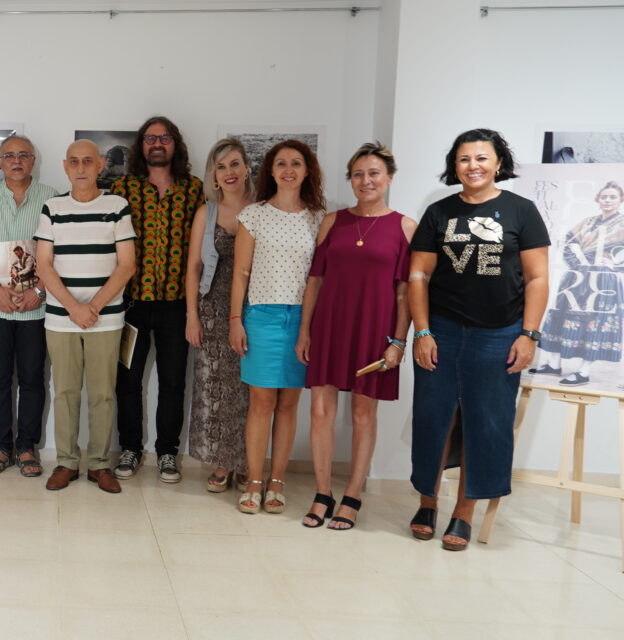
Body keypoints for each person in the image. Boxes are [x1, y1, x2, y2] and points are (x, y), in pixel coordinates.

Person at [408, 128, 550, 551]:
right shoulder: (438, 212)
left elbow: (538, 277)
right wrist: (423, 331)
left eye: (482, 158)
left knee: (485, 423)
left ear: (498, 164)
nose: (473, 166)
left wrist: (528, 334)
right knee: (434, 418)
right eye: (465, 158)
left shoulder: (521, 211)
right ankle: (427, 503)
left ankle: (463, 512)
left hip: (500, 333)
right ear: (455, 165)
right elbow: (418, 275)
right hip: (443, 331)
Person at [296, 142, 416, 529]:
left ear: (389, 178)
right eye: (359, 174)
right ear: (350, 179)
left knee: (364, 413)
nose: (366, 180)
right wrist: (305, 331)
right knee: (319, 411)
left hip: (374, 330)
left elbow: (405, 293)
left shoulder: (404, 226)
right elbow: (315, 280)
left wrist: (398, 342)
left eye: (374, 173)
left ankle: (353, 494)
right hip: (330, 326)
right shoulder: (333, 221)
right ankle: (321, 493)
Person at [229, 139, 325, 514]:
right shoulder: (253, 215)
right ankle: (254, 481)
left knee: (289, 404)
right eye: (281, 163)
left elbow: (320, 277)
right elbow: (240, 273)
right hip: (262, 317)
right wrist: (236, 320)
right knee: (262, 402)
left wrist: (312, 327)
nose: (288, 170)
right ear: (270, 171)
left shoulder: (319, 217)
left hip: (303, 320)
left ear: (307, 171)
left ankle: (277, 481)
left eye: (296, 163)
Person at [38, 140, 136, 494]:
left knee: (102, 393)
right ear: (66, 166)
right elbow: (43, 265)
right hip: (61, 318)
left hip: (106, 318)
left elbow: (127, 265)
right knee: (64, 392)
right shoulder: (52, 208)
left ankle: (98, 464)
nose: (80, 168)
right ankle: (66, 462)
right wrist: (74, 308)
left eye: (88, 162)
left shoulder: (117, 206)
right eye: (74, 162)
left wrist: (92, 307)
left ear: (99, 167)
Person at [111, 116, 204, 483]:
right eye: (150, 138)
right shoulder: (123, 189)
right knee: (127, 381)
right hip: (131, 304)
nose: (157, 143)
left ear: (175, 144)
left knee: (174, 382)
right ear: (142, 146)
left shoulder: (194, 190)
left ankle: (167, 452)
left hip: (176, 306)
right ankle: (130, 448)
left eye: (164, 137)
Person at [0, 135, 57, 477]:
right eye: (9, 155)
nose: (16, 160)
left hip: (37, 304)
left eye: (23, 155)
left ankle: (27, 448)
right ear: (0, 162)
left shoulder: (51, 197)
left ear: (32, 161)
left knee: (34, 378)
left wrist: (39, 289)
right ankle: (0, 447)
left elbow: (58, 250)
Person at [185, 138, 254, 494]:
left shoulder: (262, 209)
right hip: (212, 312)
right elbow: (193, 268)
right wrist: (192, 316)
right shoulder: (206, 213)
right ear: (213, 174)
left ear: (246, 168)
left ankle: (248, 462)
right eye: (221, 166)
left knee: (248, 391)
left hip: (252, 311)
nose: (229, 172)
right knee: (215, 389)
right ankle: (223, 462)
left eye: (234, 164)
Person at [530, 181, 624, 387]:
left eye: (613, 197)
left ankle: (584, 371)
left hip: (603, 281)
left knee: (595, 323)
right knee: (559, 315)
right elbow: (568, 242)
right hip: (577, 277)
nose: (607, 200)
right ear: (598, 199)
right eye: (604, 196)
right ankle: (553, 364)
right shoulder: (587, 222)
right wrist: (579, 262)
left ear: (620, 200)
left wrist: (616, 265)